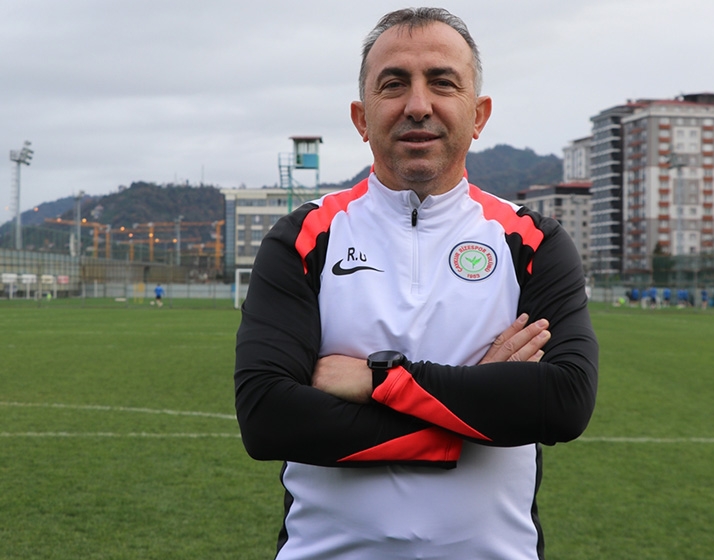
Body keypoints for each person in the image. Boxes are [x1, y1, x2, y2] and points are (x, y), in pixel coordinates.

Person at [234, 8, 598, 560]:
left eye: (443, 82)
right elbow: (267, 417)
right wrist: (471, 417)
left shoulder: (533, 241)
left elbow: (564, 402)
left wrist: (378, 379)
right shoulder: (303, 237)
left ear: (479, 115)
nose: (418, 105)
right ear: (361, 117)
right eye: (394, 84)